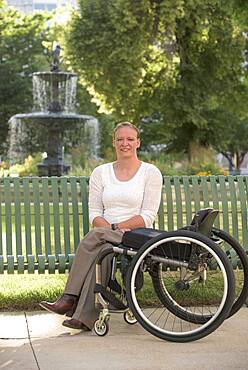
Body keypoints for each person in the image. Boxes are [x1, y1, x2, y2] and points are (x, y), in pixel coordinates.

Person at [40, 121, 163, 331]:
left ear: (138, 143)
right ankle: (83, 318)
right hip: (106, 234)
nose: (125, 143)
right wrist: (110, 231)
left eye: (130, 139)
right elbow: (95, 213)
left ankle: (69, 297)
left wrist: (116, 227)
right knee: (104, 249)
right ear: (114, 143)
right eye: (120, 139)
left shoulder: (150, 172)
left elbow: (148, 216)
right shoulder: (100, 172)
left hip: (135, 234)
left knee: (98, 238)